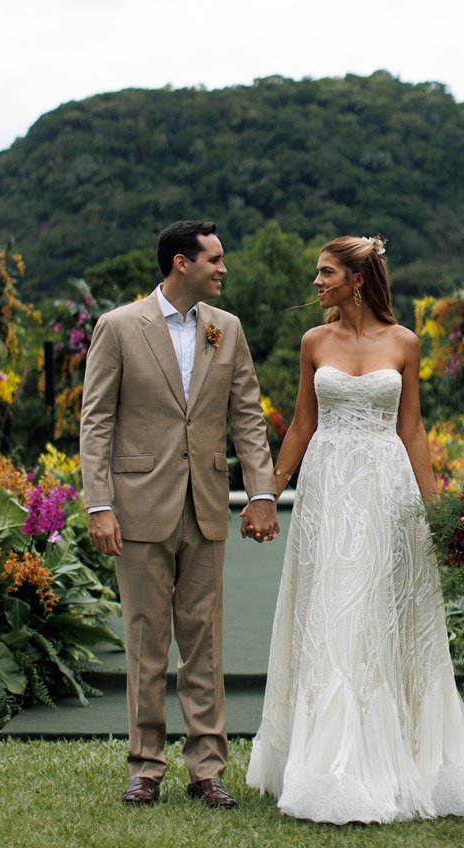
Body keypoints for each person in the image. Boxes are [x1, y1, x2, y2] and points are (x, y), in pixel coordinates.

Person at [245, 235, 464, 823]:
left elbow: (412, 430)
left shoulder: (405, 343)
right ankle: (327, 763)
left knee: (382, 615)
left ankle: (396, 758)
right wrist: (267, 491)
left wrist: (437, 512)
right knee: (333, 612)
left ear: (356, 279)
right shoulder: (314, 341)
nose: (315, 283)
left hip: (386, 489)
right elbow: (299, 426)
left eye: (324, 273)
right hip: (327, 492)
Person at [80, 220, 279, 810]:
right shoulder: (118, 327)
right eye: (215, 259)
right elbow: (97, 421)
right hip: (138, 506)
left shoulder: (228, 329)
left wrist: (262, 491)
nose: (224, 268)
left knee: (206, 644)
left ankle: (207, 769)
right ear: (180, 263)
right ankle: (145, 767)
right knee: (145, 642)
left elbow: (247, 415)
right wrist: (100, 504)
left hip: (208, 504)